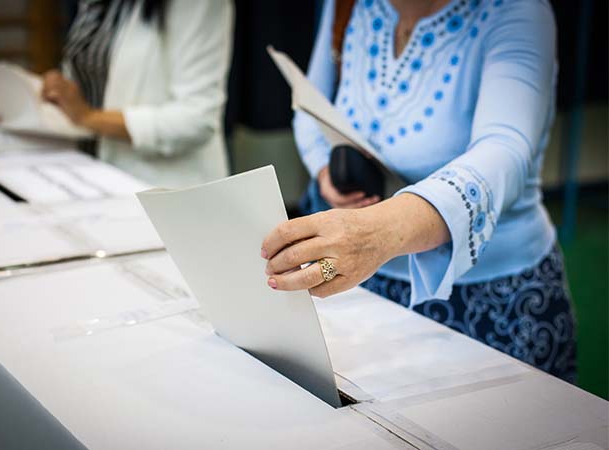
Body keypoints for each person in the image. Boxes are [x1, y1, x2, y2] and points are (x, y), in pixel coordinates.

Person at [262, 0, 576, 382]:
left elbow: (505, 150)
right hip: (366, 284)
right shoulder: (348, 5)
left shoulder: (516, 12)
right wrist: (326, 170)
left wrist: (378, 232)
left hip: (488, 297)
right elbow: (309, 100)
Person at [40, 0, 233, 188]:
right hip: (90, 173)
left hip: (163, 187)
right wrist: (62, 89)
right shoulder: (96, 4)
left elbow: (196, 120)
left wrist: (88, 117)